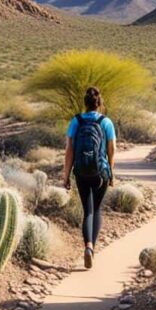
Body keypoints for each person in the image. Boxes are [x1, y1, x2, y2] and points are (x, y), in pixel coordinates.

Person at [62, 86, 116, 269]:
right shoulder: (106, 122)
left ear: (85, 103)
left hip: (81, 171)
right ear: (99, 103)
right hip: (100, 171)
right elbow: (112, 149)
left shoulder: (76, 121)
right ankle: (92, 249)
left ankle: (88, 246)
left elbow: (69, 150)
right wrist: (111, 172)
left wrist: (66, 175)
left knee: (88, 211)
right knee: (97, 210)